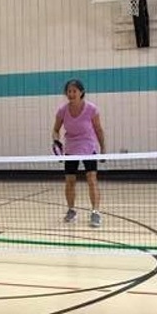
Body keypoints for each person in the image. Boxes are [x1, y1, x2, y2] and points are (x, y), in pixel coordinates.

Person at [52, 78, 106, 228]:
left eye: (74, 91)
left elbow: (99, 130)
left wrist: (103, 150)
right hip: (71, 149)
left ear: (81, 92)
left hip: (88, 147)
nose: (71, 94)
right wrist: (56, 141)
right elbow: (56, 130)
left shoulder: (91, 109)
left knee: (91, 179)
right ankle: (71, 210)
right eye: (68, 91)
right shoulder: (62, 111)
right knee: (70, 181)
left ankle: (95, 212)